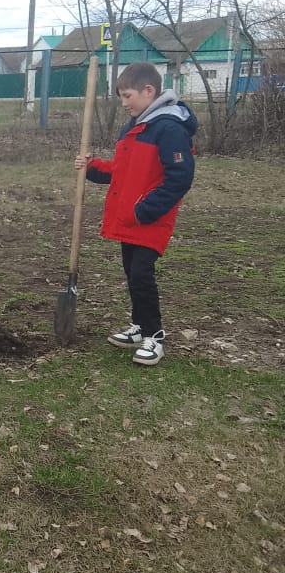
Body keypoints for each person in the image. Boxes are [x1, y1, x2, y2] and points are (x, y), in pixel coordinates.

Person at [75, 61, 197, 366]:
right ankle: (140, 326)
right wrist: (92, 167)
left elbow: (179, 178)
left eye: (127, 96)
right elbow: (122, 171)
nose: (124, 103)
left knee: (142, 274)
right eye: (121, 97)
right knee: (132, 273)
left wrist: (144, 210)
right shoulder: (134, 127)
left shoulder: (169, 129)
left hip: (150, 219)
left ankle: (154, 336)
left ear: (148, 90)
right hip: (131, 218)